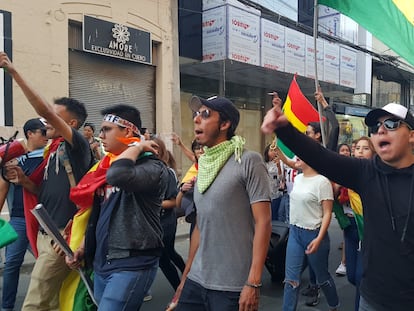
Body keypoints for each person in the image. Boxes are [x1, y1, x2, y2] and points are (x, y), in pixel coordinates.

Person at [262, 99, 414, 310]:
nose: (381, 130)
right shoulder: (367, 172)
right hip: (372, 299)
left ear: (412, 136)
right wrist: (284, 129)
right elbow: (322, 158)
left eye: (391, 124)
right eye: (376, 127)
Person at [0, 52, 93, 311]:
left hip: (62, 235)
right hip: (46, 234)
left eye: (53, 116)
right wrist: (24, 181)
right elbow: (42, 191)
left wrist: (12, 71)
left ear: (70, 123)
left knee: (34, 303)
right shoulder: (52, 150)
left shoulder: (78, 145)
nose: (46, 119)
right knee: (52, 302)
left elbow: (41, 108)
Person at [66, 104, 170, 310]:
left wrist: (137, 147)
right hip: (102, 262)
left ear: (128, 131)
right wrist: (83, 247)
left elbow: (118, 176)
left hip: (132, 263)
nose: (100, 135)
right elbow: (99, 213)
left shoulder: (152, 167)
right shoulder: (107, 165)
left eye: (107, 129)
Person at [174, 95, 271, 311]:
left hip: (232, 286)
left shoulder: (248, 161)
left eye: (206, 114)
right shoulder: (204, 165)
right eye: (196, 114)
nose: (197, 119)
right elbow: (200, 225)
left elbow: (263, 222)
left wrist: (253, 282)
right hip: (197, 279)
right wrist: (184, 279)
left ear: (225, 124)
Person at [0, 118, 48, 311]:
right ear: (30, 133)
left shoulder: (51, 157)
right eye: (43, 132)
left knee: (49, 264)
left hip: (45, 219)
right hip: (20, 218)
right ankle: (6, 307)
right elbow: (3, 189)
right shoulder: (16, 160)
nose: (47, 136)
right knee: (12, 264)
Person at [282, 156, 339, 311]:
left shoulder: (322, 182)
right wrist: (277, 149)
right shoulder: (299, 178)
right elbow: (287, 161)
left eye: (300, 155)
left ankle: (334, 305)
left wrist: (319, 238)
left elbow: (327, 213)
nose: (295, 158)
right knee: (290, 280)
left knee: (322, 278)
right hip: (295, 232)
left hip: (314, 234)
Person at [263, 143, 283, 221]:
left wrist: (278, 167)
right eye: (271, 150)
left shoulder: (280, 163)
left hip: (275, 194)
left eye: (275, 151)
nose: (274, 152)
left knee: (274, 216)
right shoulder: (263, 163)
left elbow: (281, 178)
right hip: (265, 194)